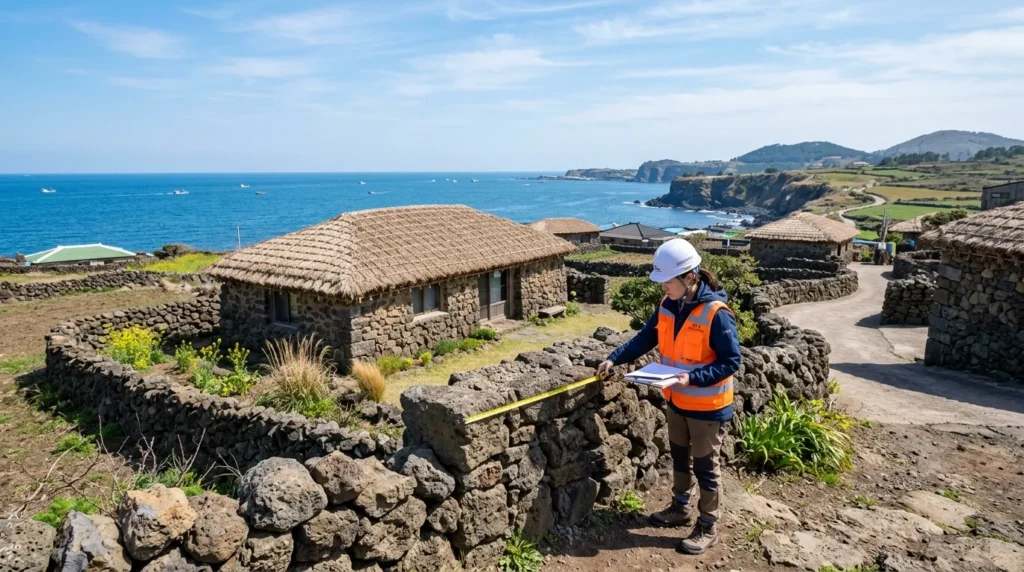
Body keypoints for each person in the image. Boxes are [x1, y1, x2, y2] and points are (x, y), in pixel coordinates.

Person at [597, 238, 741, 555]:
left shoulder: (716, 313)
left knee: (705, 468)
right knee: (679, 458)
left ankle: (708, 526)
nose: (663, 287)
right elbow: (646, 337)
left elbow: (731, 361)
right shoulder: (667, 305)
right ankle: (680, 507)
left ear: (689, 276)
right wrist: (615, 358)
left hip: (707, 408)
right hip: (676, 401)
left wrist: (693, 377)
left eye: (667, 281)